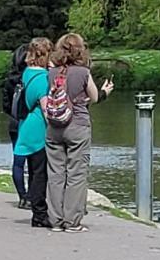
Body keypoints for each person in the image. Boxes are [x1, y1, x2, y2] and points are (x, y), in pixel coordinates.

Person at [46, 33, 113, 232]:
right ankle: (72, 221)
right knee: (76, 174)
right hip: (77, 126)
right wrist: (105, 92)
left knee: (55, 174)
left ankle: (55, 220)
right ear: (80, 50)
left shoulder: (52, 72)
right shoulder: (83, 72)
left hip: (54, 126)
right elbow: (93, 97)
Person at [13, 37, 53, 228]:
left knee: (32, 171)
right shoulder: (43, 79)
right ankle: (39, 214)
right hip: (39, 131)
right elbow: (47, 109)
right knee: (40, 174)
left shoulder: (27, 73)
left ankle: (37, 209)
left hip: (26, 127)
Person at [2, 44, 30, 208]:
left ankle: (22, 195)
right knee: (34, 161)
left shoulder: (10, 80)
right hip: (29, 122)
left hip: (14, 122)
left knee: (18, 161)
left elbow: (5, 105)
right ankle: (32, 195)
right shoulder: (32, 78)